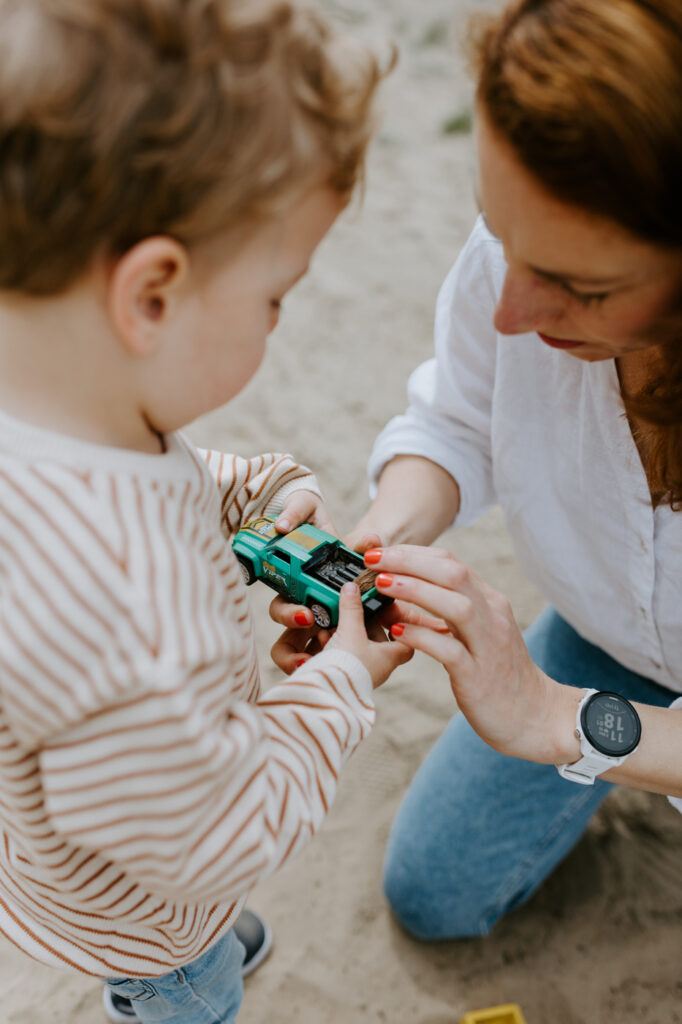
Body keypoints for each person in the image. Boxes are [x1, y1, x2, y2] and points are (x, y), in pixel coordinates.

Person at [0, 2, 415, 1022]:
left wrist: (251, 489)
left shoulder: (59, 404)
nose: (278, 320)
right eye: (274, 297)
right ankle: (186, 980)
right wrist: (344, 681)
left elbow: (159, 472)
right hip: (149, 907)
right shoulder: (127, 605)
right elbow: (216, 836)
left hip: (126, 802)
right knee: (192, 978)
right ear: (152, 296)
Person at [273, 0, 682, 941]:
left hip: (577, 681)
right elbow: (457, 417)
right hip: (607, 632)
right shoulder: (521, 261)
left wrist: (552, 715)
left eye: (582, 287)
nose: (510, 313)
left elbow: (548, 714)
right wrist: (379, 542)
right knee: (435, 893)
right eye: (504, 238)